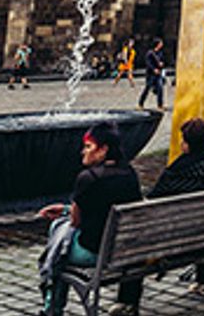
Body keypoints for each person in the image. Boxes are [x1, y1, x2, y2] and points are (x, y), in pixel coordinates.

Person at [39, 122, 143, 315]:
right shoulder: (129, 173)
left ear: (103, 149)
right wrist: (65, 209)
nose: (82, 152)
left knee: (58, 241)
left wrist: (65, 214)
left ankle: (52, 309)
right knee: (60, 237)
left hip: (95, 252)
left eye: (88, 147)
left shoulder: (88, 178)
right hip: (124, 250)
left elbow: (76, 222)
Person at [147, 117, 204, 296]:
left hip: (185, 241)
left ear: (187, 144)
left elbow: (152, 199)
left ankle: (127, 302)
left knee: (196, 225)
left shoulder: (178, 172)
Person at [137, 40, 166, 109]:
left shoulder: (160, 53)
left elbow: (162, 60)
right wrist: (153, 69)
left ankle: (160, 105)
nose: (162, 44)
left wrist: (162, 64)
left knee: (160, 88)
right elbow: (148, 63)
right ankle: (140, 103)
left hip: (158, 73)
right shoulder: (150, 53)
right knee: (147, 88)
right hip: (151, 74)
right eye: (160, 43)